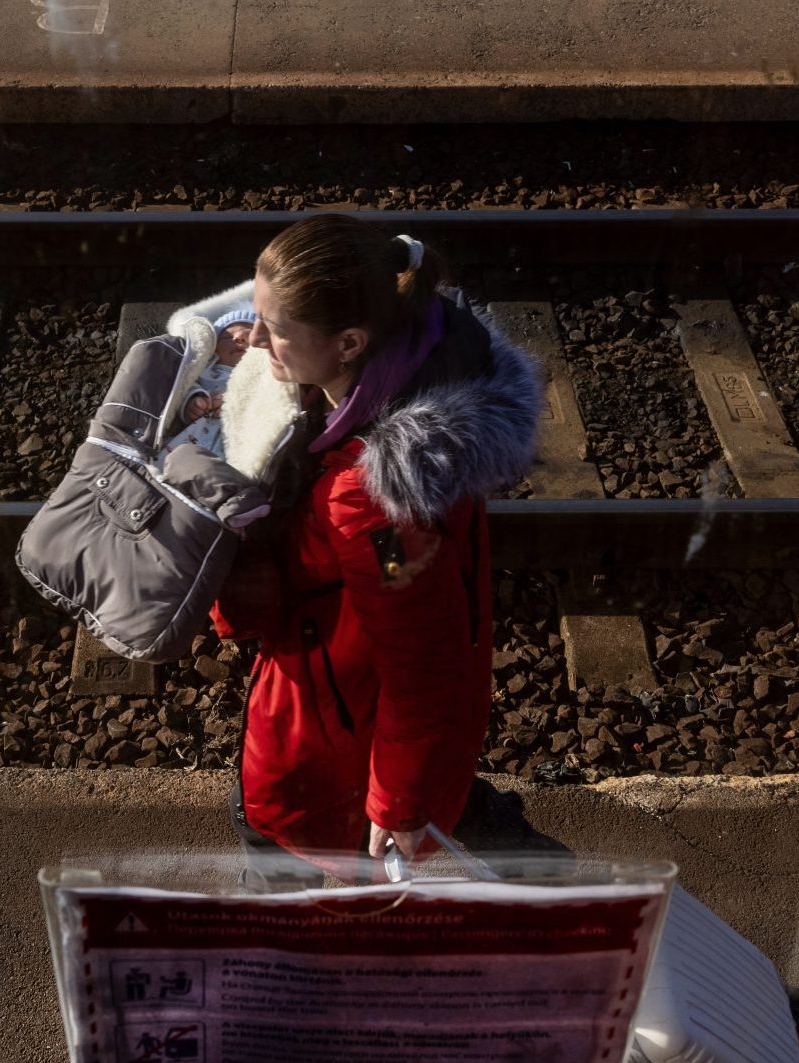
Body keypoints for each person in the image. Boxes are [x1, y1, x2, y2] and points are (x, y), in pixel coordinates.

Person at [185, 215, 542, 884]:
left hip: (331, 733)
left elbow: (420, 660)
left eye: (273, 330)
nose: (254, 339)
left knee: (279, 851)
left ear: (348, 342)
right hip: (347, 693)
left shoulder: (371, 504)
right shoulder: (426, 359)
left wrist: (400, 806)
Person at [167, 308, 254, 457]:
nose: (238, 338)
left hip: (235, 443)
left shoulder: (260, 374)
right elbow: (184, 387)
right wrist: (192, 402)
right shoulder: (205, 370)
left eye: (248, 335)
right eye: (228, 337)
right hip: (192, 439)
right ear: (214, 347)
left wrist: (238, 400)